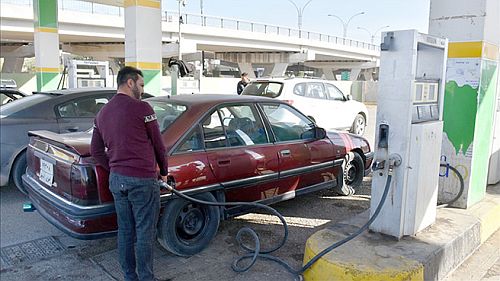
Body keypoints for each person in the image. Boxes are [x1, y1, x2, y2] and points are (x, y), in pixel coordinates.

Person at [91, 66, 168, 281]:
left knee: (125, 230)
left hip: (117, 180)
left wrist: (115, 168)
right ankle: (146, 277)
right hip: (143, 180)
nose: (142, 90)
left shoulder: (102, 113)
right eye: (141, 85)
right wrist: (164, 171)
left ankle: (129, 276)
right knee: (145, 232)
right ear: (130, 82)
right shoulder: (143, 108)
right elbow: (159, 145)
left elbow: (97, 152)